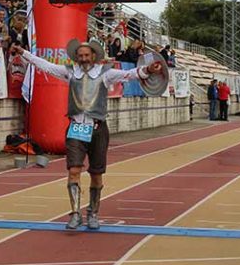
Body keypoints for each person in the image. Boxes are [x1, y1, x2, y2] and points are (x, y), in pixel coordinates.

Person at [11, 39, 164, 230]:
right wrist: (24, 53)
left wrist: (148, 70)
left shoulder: (106, 73)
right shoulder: (69, 72)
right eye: (80, 55)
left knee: (96, 173)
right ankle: (75, 213)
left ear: (93, 56)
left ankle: (93, 212)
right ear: (76, 57)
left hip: (98, 128)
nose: (83, 58)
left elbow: (129, 74)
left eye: (86, 55)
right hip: (76, 127)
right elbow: (46, 66)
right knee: (74, 170)